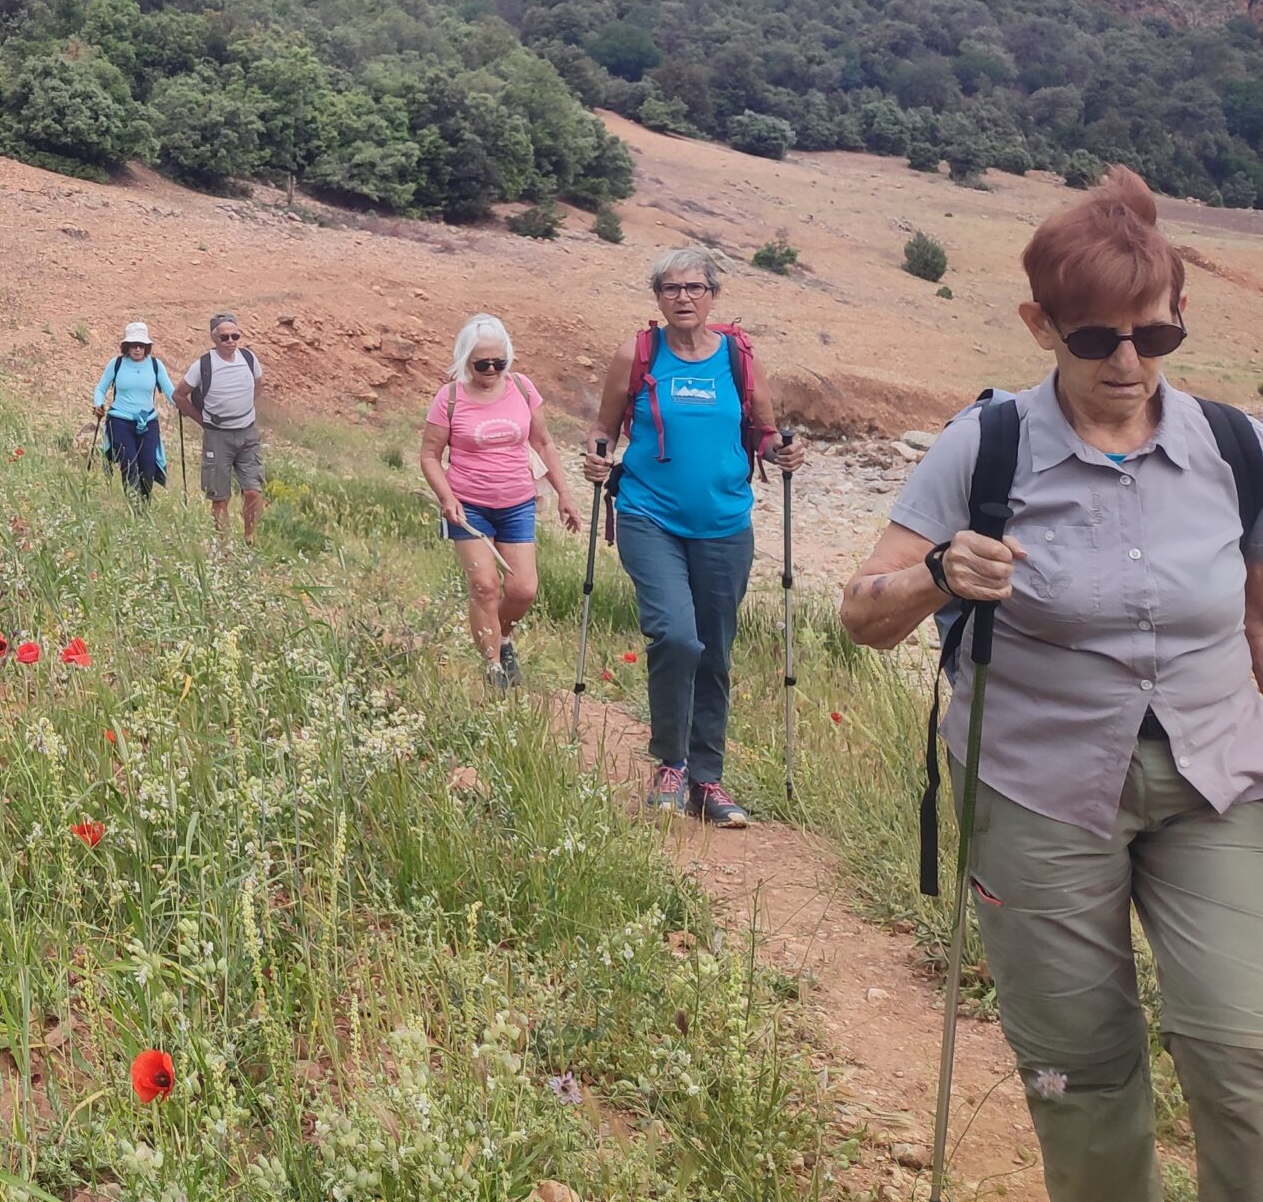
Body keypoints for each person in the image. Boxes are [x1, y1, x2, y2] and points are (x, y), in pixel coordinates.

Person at [839, 168, 1263, 1201]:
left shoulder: (1235, 446)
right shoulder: (983, 447)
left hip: (1218, 778)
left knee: (1246, 1051)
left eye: (1153, 336)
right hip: (1038, 792)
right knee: (1081, 1072)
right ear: (1041, 325)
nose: (1127, 362)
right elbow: (859, 613)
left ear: (1178, 319)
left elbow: (1256, 615)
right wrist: (938, 574)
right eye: (1094, 339)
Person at [582, 248, 803, 826]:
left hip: (725, 524)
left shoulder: (737, 357)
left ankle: (707, 779)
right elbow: (604, 428)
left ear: (713, 296)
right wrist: (596, 457)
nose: (683, 297)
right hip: (647, 515)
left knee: (716, 651)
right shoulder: (638, 353)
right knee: (677, 637)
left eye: (695, 287)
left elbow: (763, 430)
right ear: (658, 296)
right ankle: (669, 764)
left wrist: (780, 450)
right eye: (672, 288)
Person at [421, 314, 583, 690]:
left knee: (523, 589)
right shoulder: (450, 399)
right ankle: (493, 666)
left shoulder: (523, 389)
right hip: (468, 507)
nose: (491, 369)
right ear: (466, 361)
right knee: (484, 586)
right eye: (482, 364)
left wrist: (564, 494)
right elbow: (430, 455)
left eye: (499, 362)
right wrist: (446, 498)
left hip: (517, 502)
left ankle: (502, 636)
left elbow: (543, 443)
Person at [179, 311, 265, 540]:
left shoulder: (249, 358)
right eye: (224, 337)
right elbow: (179, 395)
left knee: (252, 490)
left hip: (247, 433)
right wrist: (203, 421)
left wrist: (244, 409)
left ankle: (250, 539)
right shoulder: (203, 365)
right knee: (219, 496)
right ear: (213, 339)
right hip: (217, 436)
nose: (230, 341)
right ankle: (223, 547)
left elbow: (258, 385)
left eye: (235, 336)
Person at [90, 322, 174, 499]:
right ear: (126, 346)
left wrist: (182, 405)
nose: (137, 349)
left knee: (148, 467)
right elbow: (101, 388)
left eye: (141, 345)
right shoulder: (117, 364)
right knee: (129, 463)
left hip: (148, 422)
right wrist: (98, 404)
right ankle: (133, 505)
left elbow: (170, 391)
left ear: (147, 347)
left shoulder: (155, 365)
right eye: (133, 345)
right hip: (120, 420)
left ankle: (144, 506)